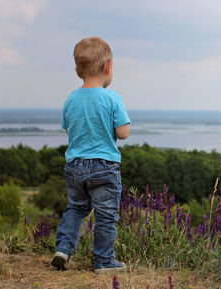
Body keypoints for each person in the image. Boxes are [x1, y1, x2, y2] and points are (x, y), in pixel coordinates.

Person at [51, 37, 130, 273]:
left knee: (75, 208)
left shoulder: (70, 100)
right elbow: (123, 133)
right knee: (106, 215)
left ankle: (63, 248)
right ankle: (104, 261)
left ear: (77, 71)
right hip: (105, 167)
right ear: (108, 67)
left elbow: (69, 128)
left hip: (75, 166)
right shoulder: (112, 98)